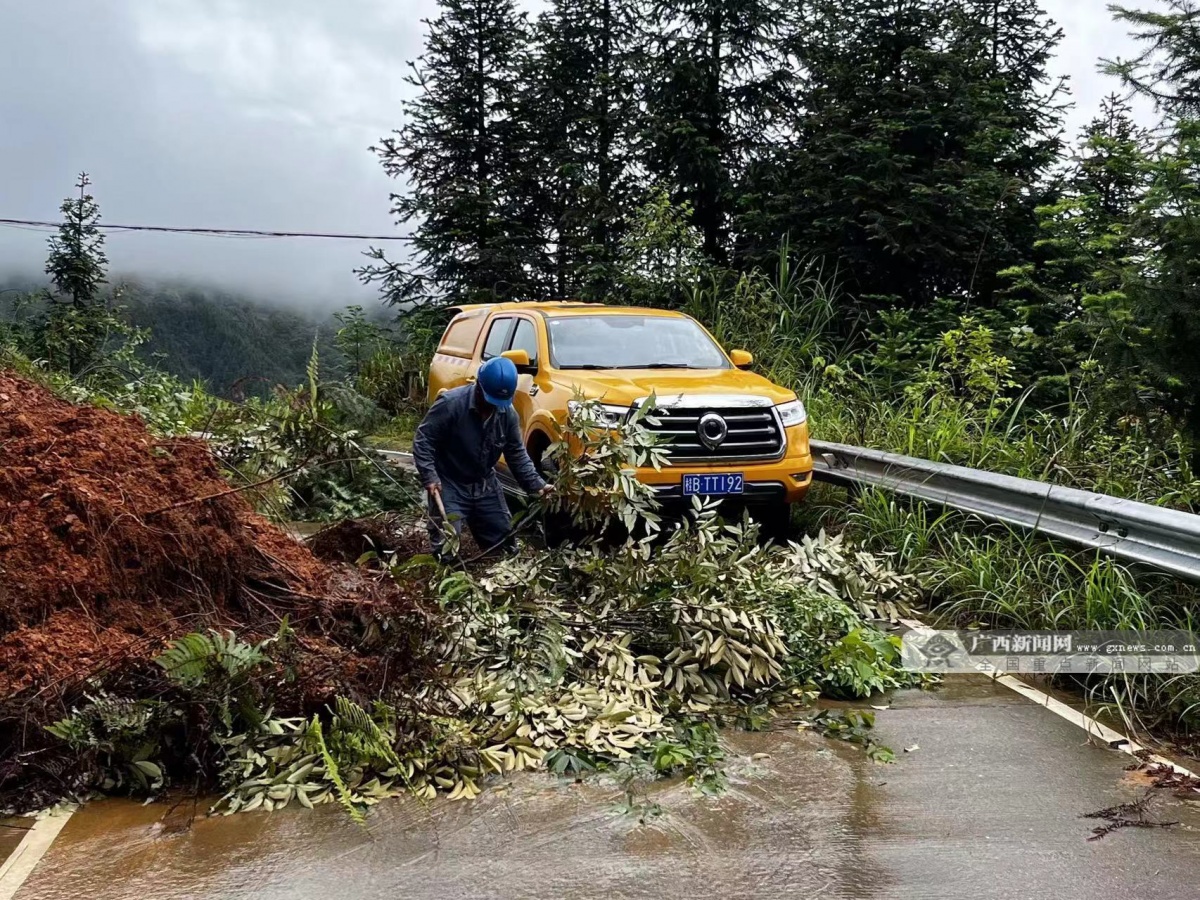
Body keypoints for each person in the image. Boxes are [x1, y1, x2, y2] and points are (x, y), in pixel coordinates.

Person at [412, 356, 553, 559]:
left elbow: (516, 453)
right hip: (449, 482)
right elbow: (423, 440)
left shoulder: (507, 414)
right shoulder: (451, 404)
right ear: (479, 386)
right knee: (447, 547)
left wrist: (537, 485)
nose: (492, 407)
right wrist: (430, 476)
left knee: (505, 546)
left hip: (484, 483)